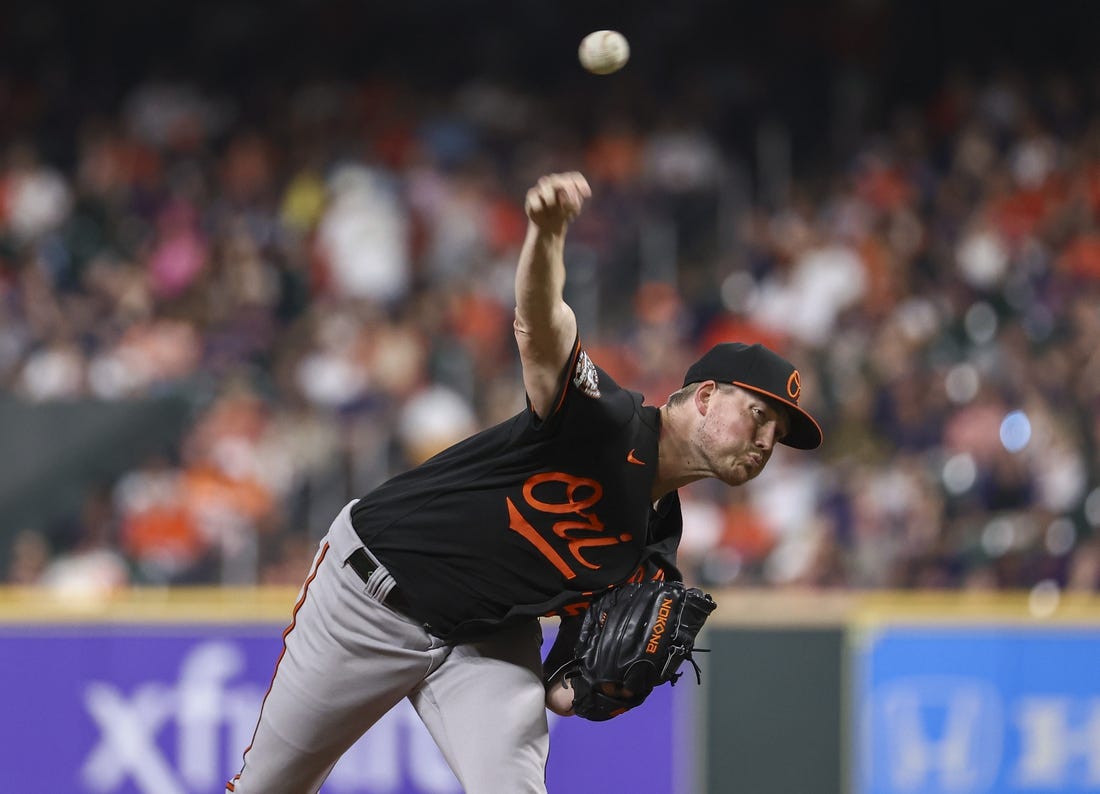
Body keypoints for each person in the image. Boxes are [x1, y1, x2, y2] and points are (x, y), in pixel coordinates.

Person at [226, 171, 822, 794]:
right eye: (759, 416)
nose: (765, 442)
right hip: (371, 595)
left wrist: (591, 688)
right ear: (703, 396)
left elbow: (562, 688)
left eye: (777, 436)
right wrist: (545, 234)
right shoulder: (606, 420)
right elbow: (542, 327)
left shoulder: (653, 553)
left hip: (483, 641)